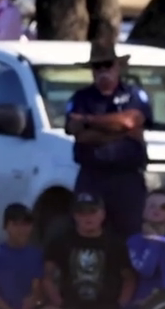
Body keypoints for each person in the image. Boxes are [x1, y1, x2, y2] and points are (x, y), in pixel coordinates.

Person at [64, 42, 151, 240]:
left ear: (118, 66)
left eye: (108, 65)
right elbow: (79, 134)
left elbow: (130, 121)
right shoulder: (81, 98)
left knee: (130, 236)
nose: (103, 71)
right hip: (92, 177)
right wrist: (121, 132)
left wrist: (88, 120)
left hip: (127, 179)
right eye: (98, 66)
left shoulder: (134, 94)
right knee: (86, 235)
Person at [37, 192, 136, 309]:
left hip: (105, 308)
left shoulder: (116, 244)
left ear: (102, 214)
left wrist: (120, 305)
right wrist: (58, 302)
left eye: (92, 211)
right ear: (74, 215)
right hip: (72, 306)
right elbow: (47, 276)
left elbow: (129, 279)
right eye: (81, 212)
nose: (87, 217)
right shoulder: (61, 241)